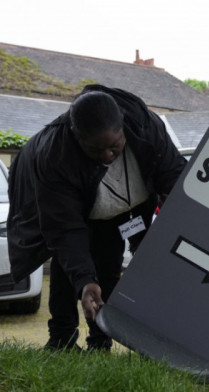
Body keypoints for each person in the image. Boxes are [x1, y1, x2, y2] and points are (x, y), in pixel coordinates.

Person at [7, 85, 186, 351]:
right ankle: (61, 340)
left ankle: (100, 341)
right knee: (70, 273)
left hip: (120, 212)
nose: (106, 156)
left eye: (114, 146)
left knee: (110, 267)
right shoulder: (56, 154)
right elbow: (65, 229)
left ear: (124, 127)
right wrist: (85, 282)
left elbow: (175, 179)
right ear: (77, 137)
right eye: (95, 150)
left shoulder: (147, 127)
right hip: (73, 210)